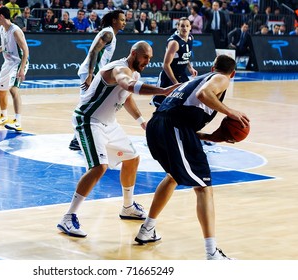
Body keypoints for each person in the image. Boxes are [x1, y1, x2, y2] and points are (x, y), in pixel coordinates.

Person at [57, 41, 180, 238]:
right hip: (89, 120)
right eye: (145, 57)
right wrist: (163, 91)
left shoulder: (135, 71)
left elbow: (126, 96)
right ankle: (68, 217)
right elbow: (127, 84)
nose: (148, 61)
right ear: (133, 53)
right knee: (99, 167)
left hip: (109, 123)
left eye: (150, 58)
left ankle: (128, 206)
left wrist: (141, 121)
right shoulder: (118, 69)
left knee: (132, 158)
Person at [134, 54, 250, 260]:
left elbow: (182, 120)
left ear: (213, 65)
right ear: (232, 74)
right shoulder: (220, 78)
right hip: (172, 126)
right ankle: (212, 253)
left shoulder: (195, 79)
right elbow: (205, 94)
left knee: (173, 176)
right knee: (204, 188)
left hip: (158, 126)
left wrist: (211, 136)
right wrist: (230, 112)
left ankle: (147, 229)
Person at [68, 10, 126, 151]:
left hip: (94, 73)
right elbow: (94, 51)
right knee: (85, 104)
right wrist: (90, 75)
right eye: (122, 20)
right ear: (114, 21)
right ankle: (76, 139)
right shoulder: (108, 34)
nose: (124, 22)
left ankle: (81, 137)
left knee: (89, 103)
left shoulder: (110, 33)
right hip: (91, 73)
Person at [0, 6, 29, 132]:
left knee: (13, 89)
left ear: (1, 16)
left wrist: (22, 68)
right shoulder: (2, 29)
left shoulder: (15, 31)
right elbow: (5, 45)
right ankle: (4, 116)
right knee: (1, 89)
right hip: (8, 62)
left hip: (19, 62)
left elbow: (26, 50)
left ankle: (18, 121)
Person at [152, 17, 197, 108]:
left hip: (181, 74)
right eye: (182, 26)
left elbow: (185, 55)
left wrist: (190, 68)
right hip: (169, 76)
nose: (185, 28)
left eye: (187, 26)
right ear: (178, 27)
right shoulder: (174, 43)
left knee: (186, 100)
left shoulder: (191, 38)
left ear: (190, 27)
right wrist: (175, 83)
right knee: (161, 105)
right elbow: (165, 65)